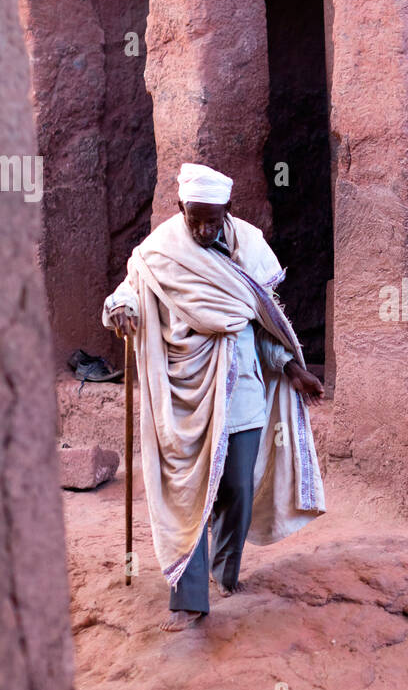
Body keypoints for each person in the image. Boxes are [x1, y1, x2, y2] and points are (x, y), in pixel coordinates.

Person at [103, 162, 325, 632]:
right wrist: (121, 310)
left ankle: (226, 573)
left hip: (243, 389)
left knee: (237, 490)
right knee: (189, 494)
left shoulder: (250, 249)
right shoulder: (159, 253)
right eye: (195, 218)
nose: (204, 229)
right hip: (184, 395)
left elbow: (260, 325)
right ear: (180, 207)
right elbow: (131, 292)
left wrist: (292, 369)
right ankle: (188, 600)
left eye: (213, 219)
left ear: (228, 210)